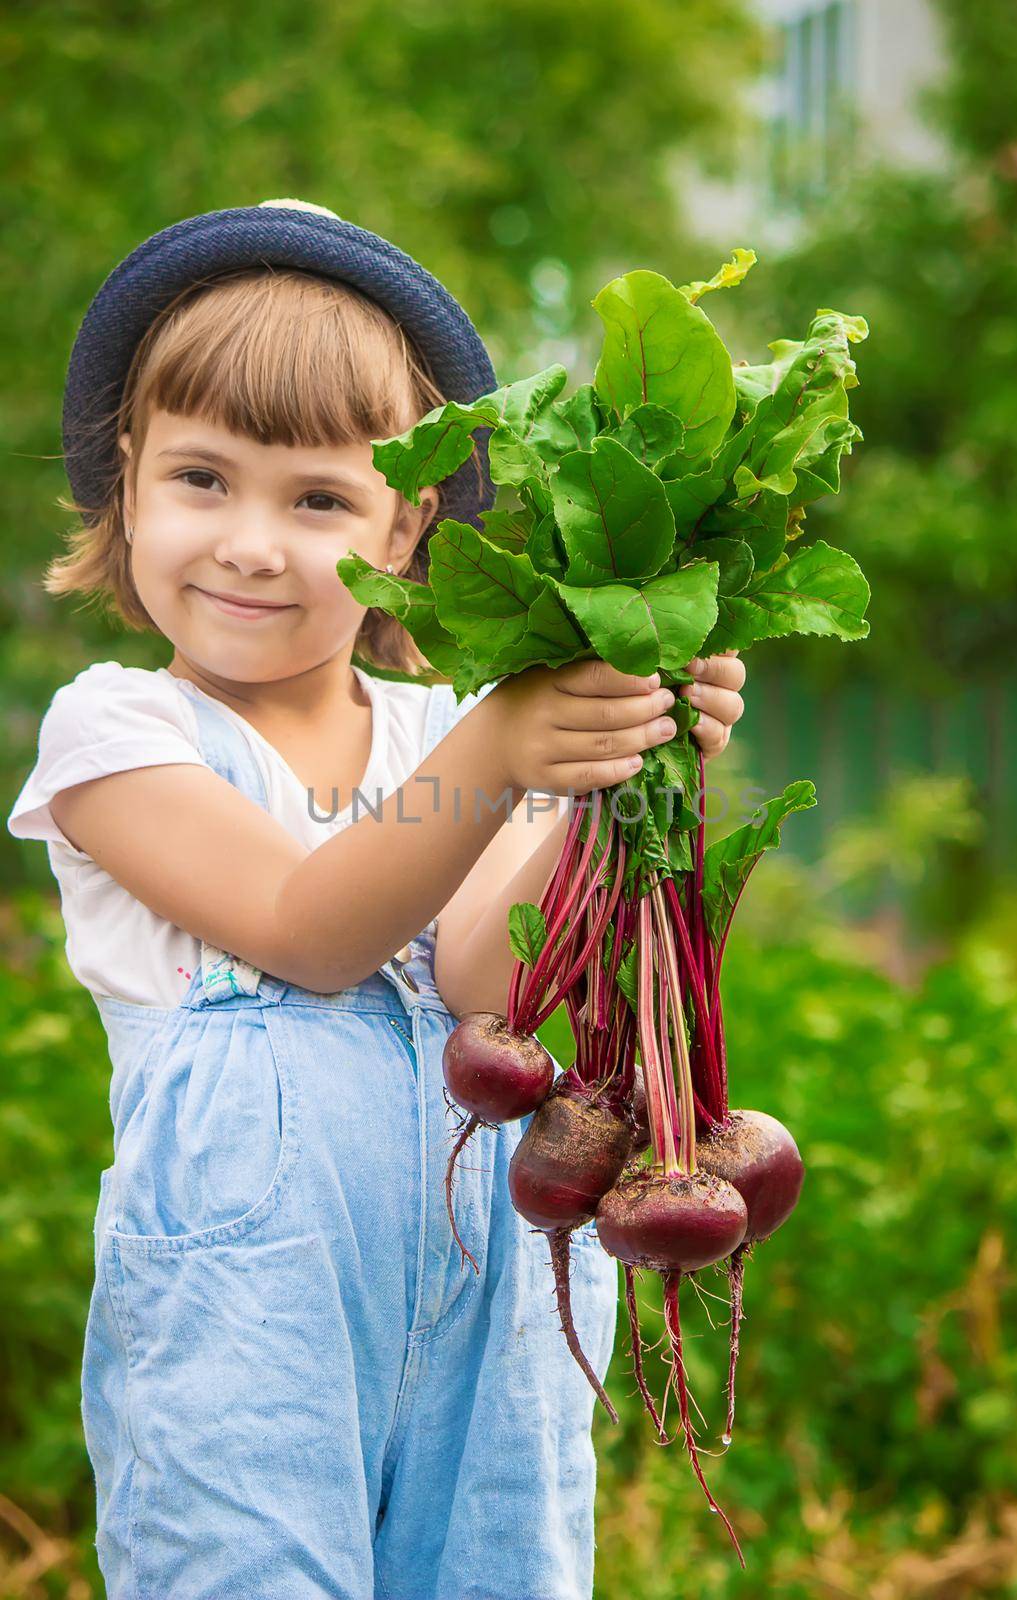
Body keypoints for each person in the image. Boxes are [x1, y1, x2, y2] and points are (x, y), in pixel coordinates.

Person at [6, 199, 747, 1600]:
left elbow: (482, 981)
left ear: (407, 526)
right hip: (250, 1337)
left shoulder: (434, 731)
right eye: (203, 480)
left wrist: (615, 758)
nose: (249, 544)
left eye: (319, 500)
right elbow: (314, 929)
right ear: (126, 477)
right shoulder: (116, 733)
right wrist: (505, 748)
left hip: (490, 1331)